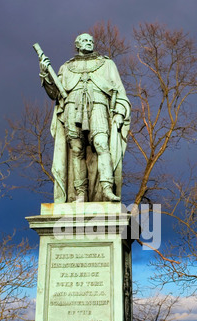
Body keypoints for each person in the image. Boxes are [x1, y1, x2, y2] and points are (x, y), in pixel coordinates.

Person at [38, 33, 131, 203]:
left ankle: (107, 189)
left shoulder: (107, 64)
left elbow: (120, 91)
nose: (89, 43)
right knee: (76, 150)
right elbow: (55, 94)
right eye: (85, 41)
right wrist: (45, 75)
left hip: (98, 105)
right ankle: (80, 194)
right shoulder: (66, 67)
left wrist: (119, 112)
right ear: (77, 45)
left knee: (102, 144)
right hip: (72, 108)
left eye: (91, 41)